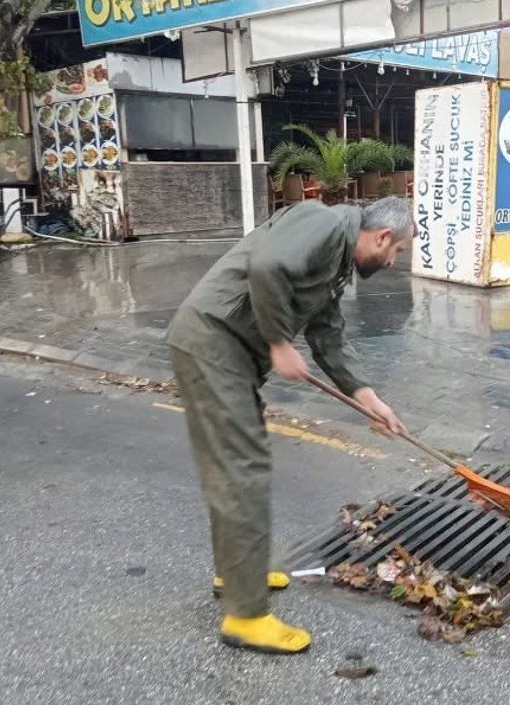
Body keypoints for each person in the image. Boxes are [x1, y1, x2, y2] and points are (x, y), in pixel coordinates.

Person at [166, 196, 415, 655]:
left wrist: (366, 396)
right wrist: (280, 342)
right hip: (211, 345)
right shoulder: (321, 222)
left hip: (228, 353)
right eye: (396, 250)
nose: (392, 259)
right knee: (242, 469)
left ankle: (237, 572)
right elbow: (266, 265)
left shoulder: (336, 257)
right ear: (381, 236)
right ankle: (246, 616)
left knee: (238, 463)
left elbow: (327, 333)